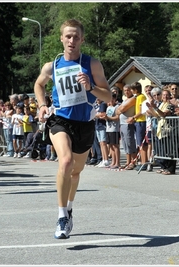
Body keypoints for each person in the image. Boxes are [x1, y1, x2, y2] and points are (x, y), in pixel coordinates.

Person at [34, 19, 111, 239]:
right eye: (68, 36)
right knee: (65, 162)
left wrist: (91, 87)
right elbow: (39, 85)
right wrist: (42, 105)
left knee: (76, 171)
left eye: (76, 36)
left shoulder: (92, 64)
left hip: (84, 123)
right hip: (60, 120)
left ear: (82, 39)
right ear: (61, 38)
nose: (72, 40)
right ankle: (61, 216)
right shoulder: (53, 66)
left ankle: (69, 209)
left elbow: (108, 96)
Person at [116, 84, 137, 170]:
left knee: (130, 142)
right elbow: (117, 111)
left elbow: (122, 109)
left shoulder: (133, 98)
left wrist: (121, 109)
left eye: (128, 90)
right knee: (125, 143)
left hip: (128, 124)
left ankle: (133, 161)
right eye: (125, 90)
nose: (126, 92)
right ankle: (128, 161)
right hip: (122, 123)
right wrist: (120, 109)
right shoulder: (125, 100)